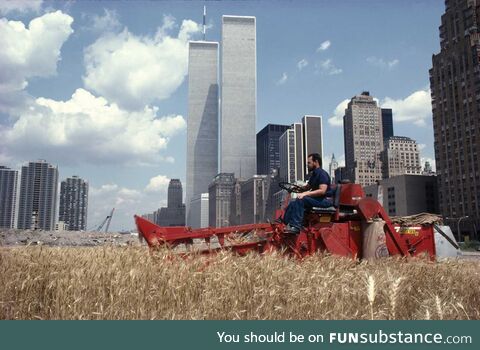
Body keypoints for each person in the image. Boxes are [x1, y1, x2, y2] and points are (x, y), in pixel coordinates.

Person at [283, 153, 334, 234]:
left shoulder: (322, 174)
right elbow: (307, 187)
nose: (307, 165)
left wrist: (305, 194)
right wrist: (295, 188)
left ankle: (295, 226)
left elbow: (322, 191)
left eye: (309, 163)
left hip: (325, 200)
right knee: (293, 203)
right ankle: (284, 223)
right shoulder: (314, 175)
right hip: (318, 199)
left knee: (301, 199)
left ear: (315, 162)